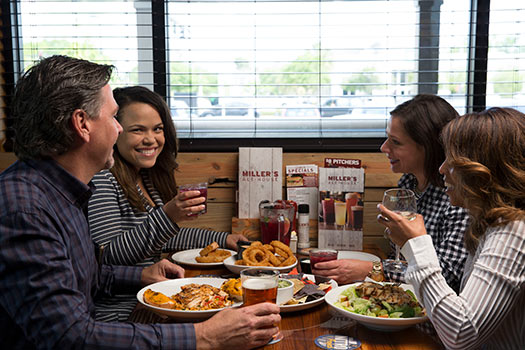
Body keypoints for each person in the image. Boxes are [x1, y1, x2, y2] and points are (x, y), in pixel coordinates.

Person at [0, 55, 280, 349]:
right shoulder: (24, 210)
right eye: (112, 118)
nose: (118, 129)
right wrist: (205, 337)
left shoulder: (66, 191)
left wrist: (141, 274)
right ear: (82, 124)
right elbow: (69, 336)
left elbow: (91, 273)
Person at [88, 85, 246, 321]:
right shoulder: (103, 179)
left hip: (156, 298)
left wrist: (223, 240)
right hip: (122, 311)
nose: (150, 139)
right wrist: (169, 215)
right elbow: (109, 256)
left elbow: (164, 236)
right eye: (138, 130)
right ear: (116, 130)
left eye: (158, 129)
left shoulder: (147, 177)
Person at [378, 107, 525, 349]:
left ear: (484, 170)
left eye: (453, 161)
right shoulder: (486, 222)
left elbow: (459, 334)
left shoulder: (512, 231)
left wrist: (416, 245)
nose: (442, 168)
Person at [313, 94, 469, 293]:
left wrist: (375, 270)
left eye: (395, 142)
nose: (384, 147)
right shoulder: (408, 184)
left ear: (427, 147)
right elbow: (398, 255)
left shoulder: (457, 198)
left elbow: (448, 275)